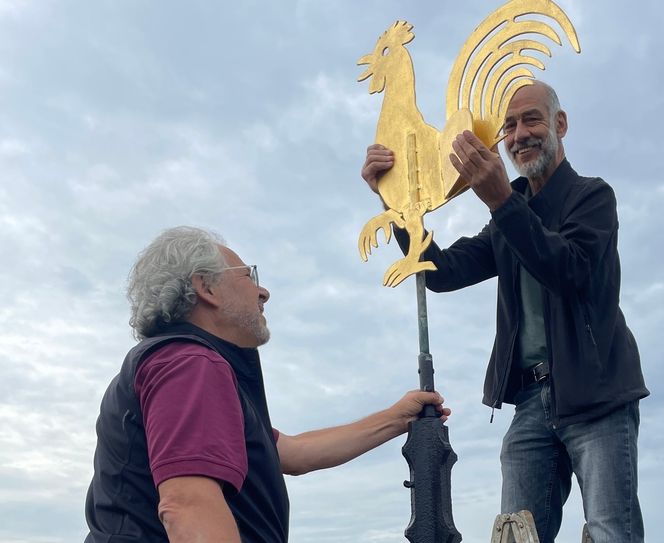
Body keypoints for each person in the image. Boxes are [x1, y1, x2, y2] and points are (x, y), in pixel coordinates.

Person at [361, 81, 648, 543]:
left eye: (531, 119)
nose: (519, 134)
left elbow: (570, 270)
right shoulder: (507, 216)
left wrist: (502, 201)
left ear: (560, 124)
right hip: (532, 401)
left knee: (612, 531)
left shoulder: (592, 197)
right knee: (515, 533)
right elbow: (442, 271)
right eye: (508, 126)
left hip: (598, 395)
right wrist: (394, 203)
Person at [84, 226, 449, 543]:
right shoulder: (191, 364)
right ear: (205, 287)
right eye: (248, 276)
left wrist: (398, 418)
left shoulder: (179, 364)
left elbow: (292, 453)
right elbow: (187, 505)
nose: (263, 292)